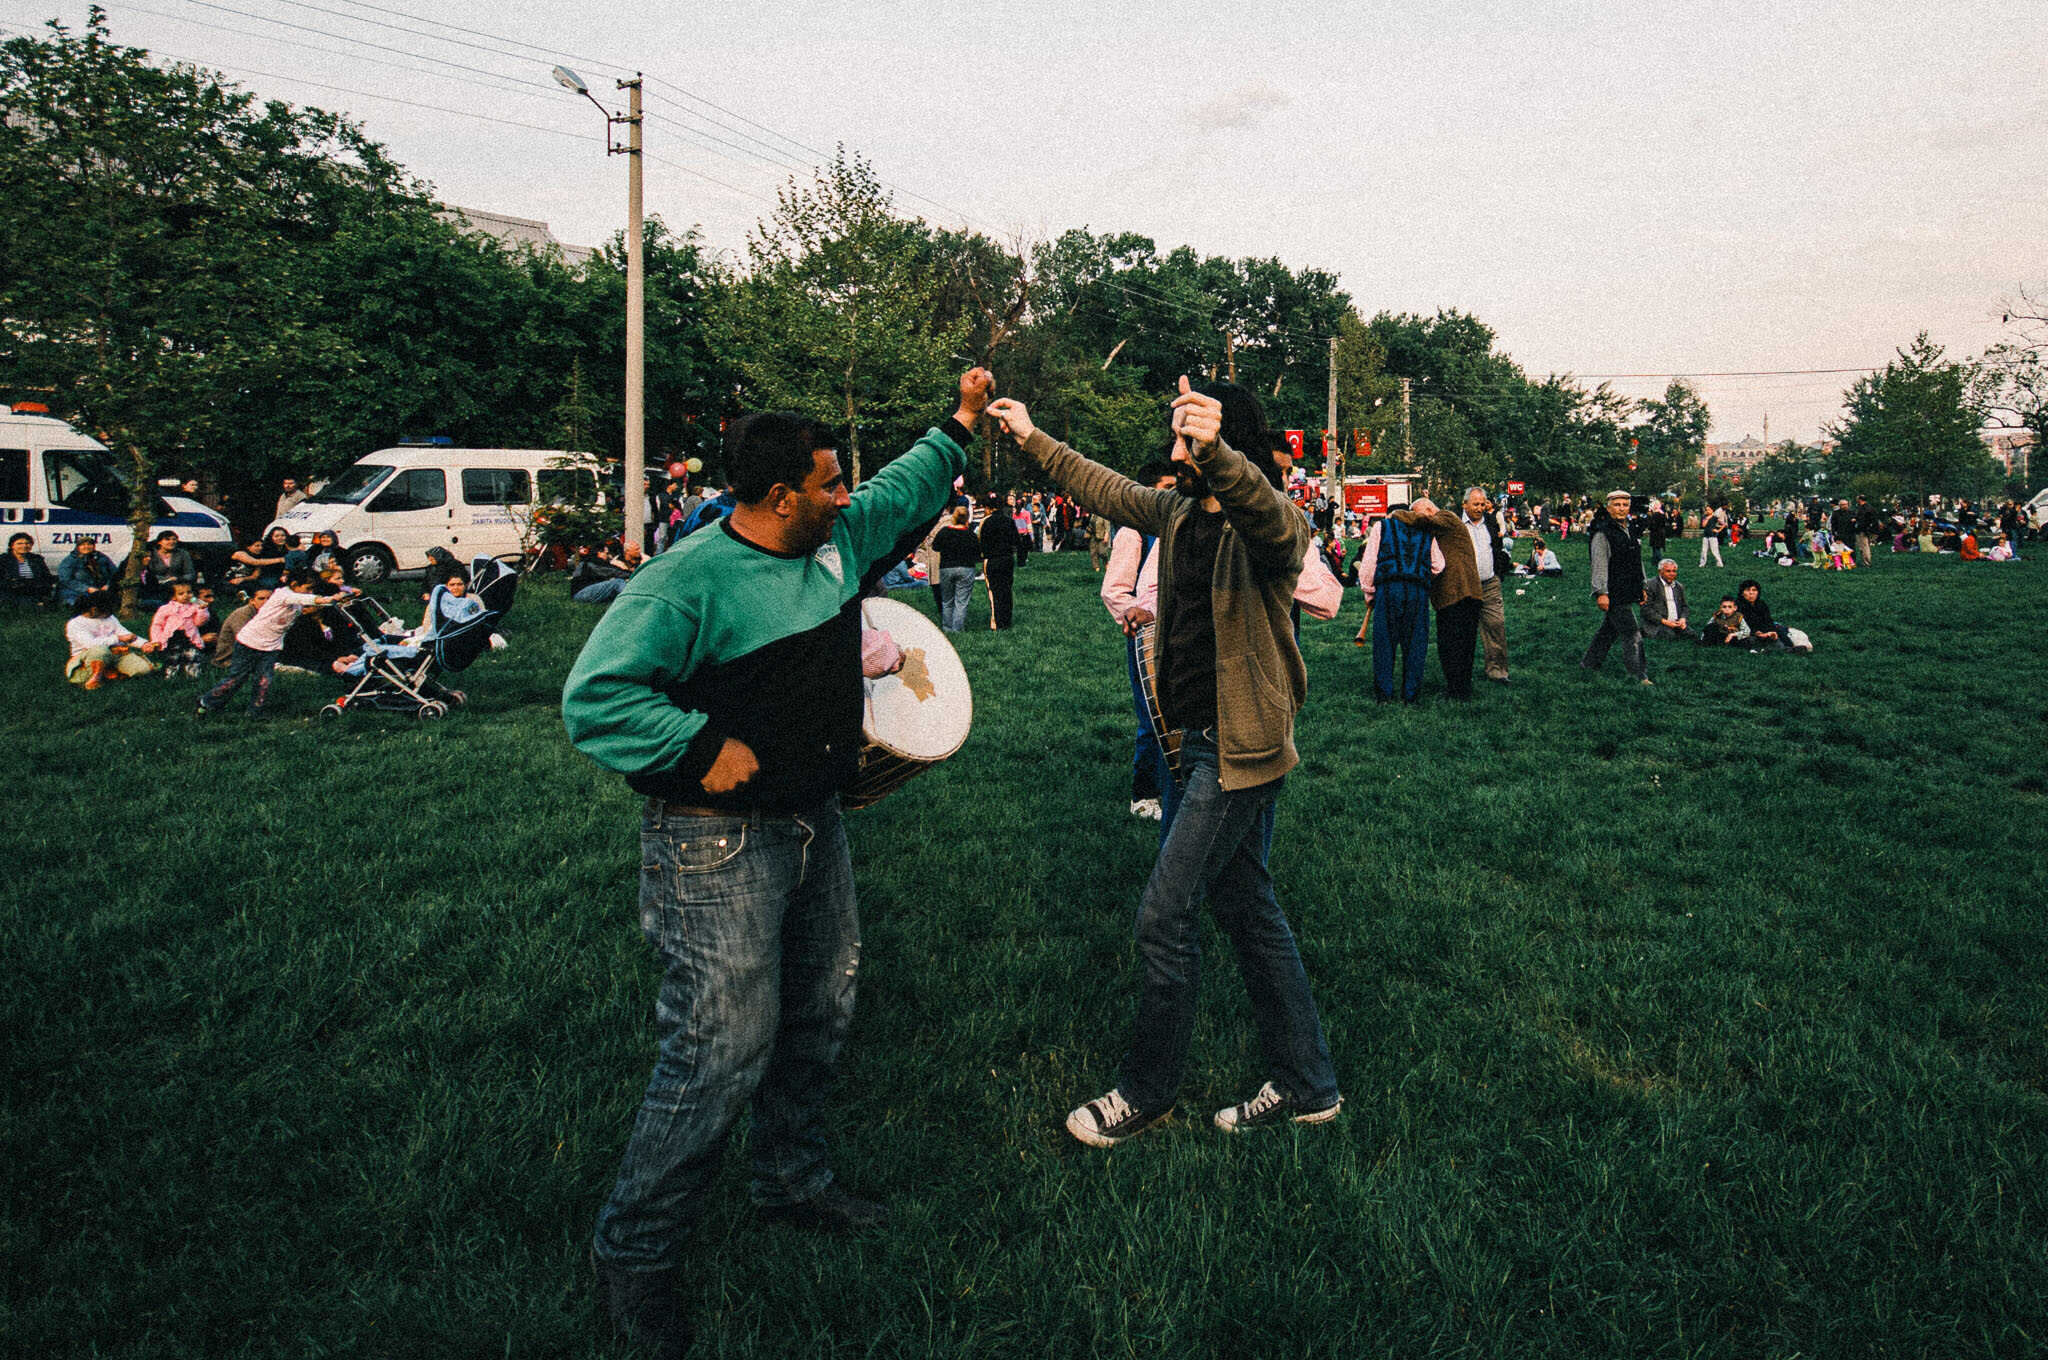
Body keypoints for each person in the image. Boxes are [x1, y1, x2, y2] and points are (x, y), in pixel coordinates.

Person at [560, 369, 991, 1356]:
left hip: (813, 821)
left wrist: (960, 419)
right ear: (776, 495)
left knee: (820, 1008)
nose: (848, 495)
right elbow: (596, 697)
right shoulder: (685, 581)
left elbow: (906, 488)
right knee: (717, 1049)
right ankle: (634, 1252)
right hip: (713, 843)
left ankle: (790, 1184)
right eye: (829, 482)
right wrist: (700, 746)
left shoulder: (834, 539)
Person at [989, 377, 1343, 1148]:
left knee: (1164, 915)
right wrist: (1031, 434)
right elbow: (1107, 487)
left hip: (1238, 750)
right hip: (1196, 747)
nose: (1175, 453)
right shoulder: (1178, 514)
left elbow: (1268, 517)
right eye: (1182, 438)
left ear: (1227, 444)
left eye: (1189, 439)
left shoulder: (1269, 525)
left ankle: (1145, 1092)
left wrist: (1217, 450)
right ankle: (1309, 1084)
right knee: (1249, 910)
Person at [1101, 461, 1182, 819]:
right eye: (1166, 488)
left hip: (1182, 631)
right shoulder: (1135, 530)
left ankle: (1177, 785)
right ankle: (1144, 793)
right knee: (1151, 713)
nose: (1173, 495)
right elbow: (1115, 589)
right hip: (1145, 634)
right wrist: (1140, 616)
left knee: (1178, 713)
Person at [198, 567, 359, 716]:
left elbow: (311, 603)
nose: (310, 592)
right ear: (295, 585)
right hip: (249, 642)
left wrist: (340, 596)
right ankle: (208, 702)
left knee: (264, 680)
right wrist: (327, 599)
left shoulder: (298, 598)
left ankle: (255, 712)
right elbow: (307, 599)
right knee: (236, 678)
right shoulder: (283, 594)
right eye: (307, 588)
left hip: (271, 646)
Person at [1355, 505, 1444, 703]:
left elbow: (1369, 563)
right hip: (1418, 591)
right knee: (1416, 643)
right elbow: (1439, 565)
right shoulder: (1426, 530)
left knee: (1385, 642)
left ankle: (1384, 694)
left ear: (1393, 514)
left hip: (1388, 589)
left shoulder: (1382, 526)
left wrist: (1369, 592)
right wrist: (1420, 575)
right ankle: (1411, 695)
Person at [1409, 495, 1488, 700]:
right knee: (1456, 644)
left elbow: (1426, 521)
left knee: (1455, 644)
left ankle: (1458, 690)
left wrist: (1399, 516)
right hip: (1456, 594)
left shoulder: (1447, 517)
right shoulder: (1443, 529)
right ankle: (1459, 688)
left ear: (1428, 509)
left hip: (1460, 593)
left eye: (1418, 512)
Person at [1581, 490, 1651, 684]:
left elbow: (1637, 561)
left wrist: (1642, 586)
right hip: (1613, 591)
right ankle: (1639, 675)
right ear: (1608, 506)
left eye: (1625, 505)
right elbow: (1599, 564)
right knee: (1631, 632)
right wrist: (1601, 592)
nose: (1621, 509)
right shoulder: (1603, 532)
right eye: (1617, 504)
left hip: (1629, 588)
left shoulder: (1631, 529)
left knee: (1609, 630)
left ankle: (1589, 664)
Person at [64, 591, 160, 687]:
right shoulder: (76, 623)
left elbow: (125, 634)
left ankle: (109, 672)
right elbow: (90, 644)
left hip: (115, 653)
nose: (112, 613)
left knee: (143, 669)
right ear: (94, 610)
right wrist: (118, 639)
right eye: (109, 610)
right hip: (89, 657)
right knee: (100, 650)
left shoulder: (110, 618)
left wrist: (143, 644)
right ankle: (96, 676)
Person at [977, 492, 1026, 629]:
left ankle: (998, 620)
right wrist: (1020, 560)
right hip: (1007, 558)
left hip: (992, 559)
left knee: (995, 590)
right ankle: (1007, 620)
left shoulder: (987, 523)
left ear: (990, 508)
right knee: (1006, 589)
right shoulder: (1009, 521)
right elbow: (1017, 541)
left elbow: (982, 543)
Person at [931, 506, 981, 632]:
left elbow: (935, 547)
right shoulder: (970, 535)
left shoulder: (944, 532)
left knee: (947, 601)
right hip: (966, 568)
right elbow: (977, 554)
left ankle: (947, 628)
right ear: (967, 518)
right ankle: (957, 629)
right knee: (961, 601)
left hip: (946, 568)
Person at [149, 581, 215, 676]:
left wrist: (202, 610)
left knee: (192, 656)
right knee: (172, 657)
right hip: (172, 638)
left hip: (190, 638)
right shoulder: (166, 608)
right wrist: (156, 639)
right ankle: (170, 674)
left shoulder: (194, 606)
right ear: (173, 596)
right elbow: (157, 625)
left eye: (189, 592)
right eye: (181, 594)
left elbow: (199, 622)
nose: (186, 595)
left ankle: (193, 674)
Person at [211, 588, 270, 668]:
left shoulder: (268, 613)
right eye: (261, 599)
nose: (266, 602)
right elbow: (245, 640)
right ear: (252, 601)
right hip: (230, 657)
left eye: (269, 599)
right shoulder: (243, 614)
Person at [571, 542, 643, 604]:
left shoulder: (589, 562)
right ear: (599, 553)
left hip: (583, 592)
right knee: (617, 582)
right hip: (581, 594)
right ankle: (632, 601)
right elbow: (613, 571)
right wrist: (633, 573)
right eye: (606, 553)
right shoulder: (594, 563)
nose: (608, 555)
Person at [55, 538, 119, 608]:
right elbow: (65, 579)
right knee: (78, 603)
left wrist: (108, 585)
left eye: (89, 544)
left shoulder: (101, 557)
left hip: (101, 589)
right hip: (77, 591)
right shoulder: (70, 560)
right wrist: (87, 588)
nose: (87, 547)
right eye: (83, 545)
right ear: (78, 547)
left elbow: (115, 573)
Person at [1640, 559, 1693, 641]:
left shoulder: (1678, 586)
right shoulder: (1650, 585)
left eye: (1674, 571)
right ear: (1660, 572)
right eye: (1668, 571)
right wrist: (1666, 622)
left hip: (1676, 622)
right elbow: (1646, 610)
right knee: (1670, 636)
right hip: (1659, 623)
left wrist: (1683, 619)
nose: (1672, 574)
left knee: (1691, 635)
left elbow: (1685, 607)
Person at [139, 531, 197, 603]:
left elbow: (190, 573)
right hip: (157, 585)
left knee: (192, 599)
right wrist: (164, 580)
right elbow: (146, 573)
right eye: (167, 539)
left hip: (179, 585)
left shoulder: (182, 553)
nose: (172, 541)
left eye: (174, 539)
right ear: (159, 542)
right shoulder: (151, 554)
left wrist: (179, 579)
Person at [1735, 579, 1793, 650]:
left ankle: (1790, 647)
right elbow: (1743, 624)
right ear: (1742, 593)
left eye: (1754, 590)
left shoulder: (1761, 604)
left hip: (1764, 630)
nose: (1751, 593)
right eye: (1747, 590)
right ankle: (1785, 649)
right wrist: (1758, 633)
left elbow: (1768, 620)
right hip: (1749, 633)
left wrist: (1770, 631)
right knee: (1752, 640)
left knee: (1778, 632)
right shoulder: (1737, 606)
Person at [4, 532, 55, 607]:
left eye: (27, 543)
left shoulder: (36, 559)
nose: (24, 546)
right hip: (14, 591)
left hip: (35, 589)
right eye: (19, 543)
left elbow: (46, 576)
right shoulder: (4, 560)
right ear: (12, 546)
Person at [1698, 503, 1726, 568]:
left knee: (1715, 551)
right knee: (1704, 550)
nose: (1707, 511)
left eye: (1709, 510)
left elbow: (1724, 524)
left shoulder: (1715, 517)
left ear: (1712, 510)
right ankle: (1702, 563)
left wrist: (1718, 530)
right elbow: (1703, 525)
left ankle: (1719, 563)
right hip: (1705, 536)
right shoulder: (1704, 517)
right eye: (1706, 510)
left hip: (1713, 536)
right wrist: (1707, 518)